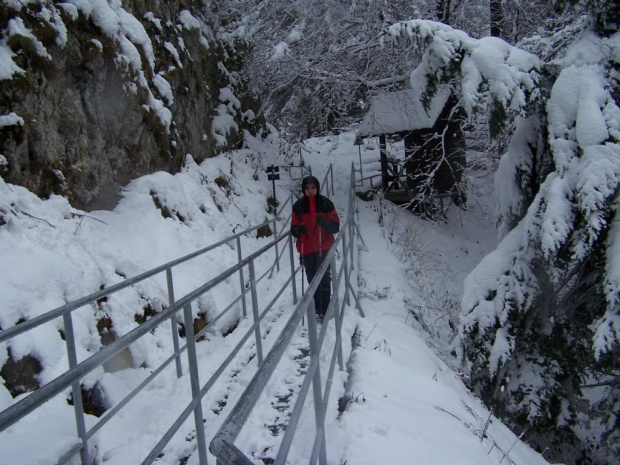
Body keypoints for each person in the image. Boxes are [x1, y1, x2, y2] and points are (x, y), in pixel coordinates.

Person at [290, 175, 340, 322]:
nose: (310, 191)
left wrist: (324, 223)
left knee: (324, 278)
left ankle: (324, 308)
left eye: (313, 188)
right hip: (306, 248)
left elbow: (335, 226)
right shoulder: (298, 206)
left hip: (324, 246)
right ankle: (317, 307)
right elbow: (293, 229)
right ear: (303, 190)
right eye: (307, 188)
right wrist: (299, 229)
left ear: (317, 188)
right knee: (312, 278)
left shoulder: (325, 203)